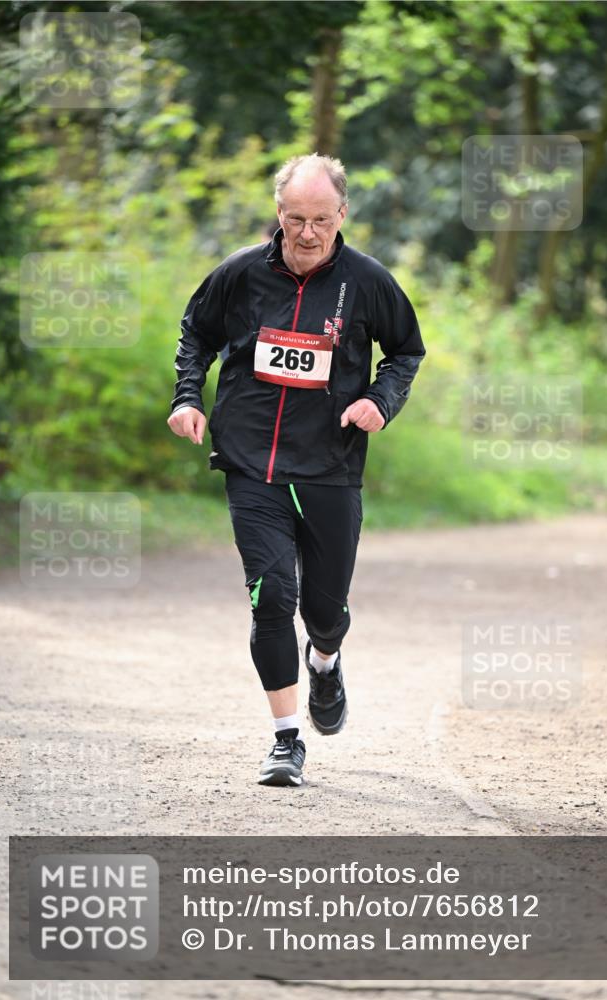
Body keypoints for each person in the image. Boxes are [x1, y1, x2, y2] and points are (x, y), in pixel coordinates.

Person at [167, 154, 425, 787]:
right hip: (250, 461)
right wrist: (187, 397)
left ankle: (327, 659)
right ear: (277, 215)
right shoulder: (239, 274)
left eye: (319, 220)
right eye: (293, 220)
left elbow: (406, 351)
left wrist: (378, 402)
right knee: (271, 596)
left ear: (342, 214)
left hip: (330, 466)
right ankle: (286, 739)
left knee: (325, 608)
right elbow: (195, 333)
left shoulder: (367, 282)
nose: (306, 233)